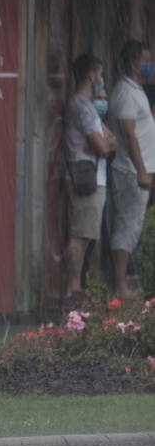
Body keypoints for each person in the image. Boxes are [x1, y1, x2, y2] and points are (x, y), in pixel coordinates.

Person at [61, 54, 117, 307]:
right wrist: (107, 143)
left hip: (93, 176)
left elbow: (109, 140)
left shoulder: (88, 107)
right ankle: (72, 287)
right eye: (100, 75)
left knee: (87, 234)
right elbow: (103, 146)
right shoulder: (82, 107)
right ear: (90, 75)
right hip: (87, 177)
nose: (101, 80)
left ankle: (78, 286)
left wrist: (108, 141)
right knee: (80, 234)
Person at [108, 39, 154, 300]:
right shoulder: (124, 92)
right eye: (146, 60)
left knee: (135, 225)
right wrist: (141, 170)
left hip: (142, 170)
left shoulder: (137, 89)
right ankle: (120, 284)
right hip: (130, 171)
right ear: (132, 62)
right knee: (127, 224)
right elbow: (129, 135)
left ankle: (126, 280)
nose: (149, 65)